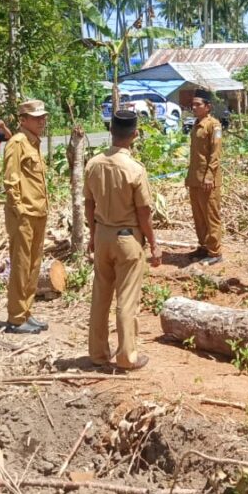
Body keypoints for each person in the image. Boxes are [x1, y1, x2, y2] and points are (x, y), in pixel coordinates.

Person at [85, 109, 161, 370]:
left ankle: (97, 353)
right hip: (127, 238)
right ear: (135, 135)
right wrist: (153, 243)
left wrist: (93, 235)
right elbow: (144, 213)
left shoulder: (93, 163)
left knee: (100, 297)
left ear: (111, 132)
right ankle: (127, 356)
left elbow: (88, 204)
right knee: (126, 300)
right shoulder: (135, 169)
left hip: (103, 233)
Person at [2, 99, 51, 334]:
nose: (42, 121)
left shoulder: (34, 143)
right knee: (21, 266)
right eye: (37, 118)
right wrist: (19, 210)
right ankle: (16, 318)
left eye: (43, 117)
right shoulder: (17, 143)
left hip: (38, 212)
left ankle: (26, 312)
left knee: (33, 266)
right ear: (23, 120)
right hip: (24, 214)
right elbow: (11, 181)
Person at [185, 90, 224, 265]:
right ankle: (204, 246)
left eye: (197, 104)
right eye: (192, 104)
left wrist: (209, 176)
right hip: (195, 178)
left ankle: (215, 252)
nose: (194, 107)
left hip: (208, 180)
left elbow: (215, 154)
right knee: (199, 216)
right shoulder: (196, 124)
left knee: (210, 215)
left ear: (208, 107)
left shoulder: (213, 126)